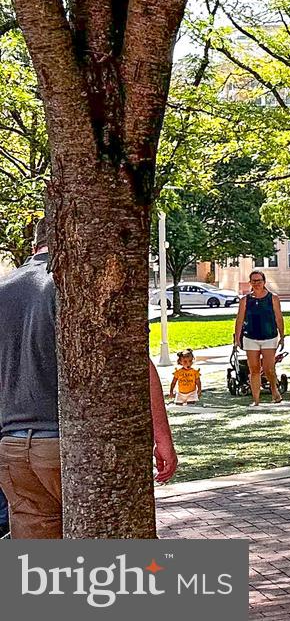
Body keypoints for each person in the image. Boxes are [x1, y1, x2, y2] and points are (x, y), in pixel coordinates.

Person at [1, 227, 175, 538]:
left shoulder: (3, 288)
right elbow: (134, 361)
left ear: (34, 242)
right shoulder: (75, 287)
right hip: (69, 444)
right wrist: (161, 436)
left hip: (14, 448)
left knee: (36, 568)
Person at [233, 269, 286, 405]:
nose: (256, 283)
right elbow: (239, 319)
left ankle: (274, 390)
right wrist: (237, 338)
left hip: (269, 336)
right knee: (254, 369)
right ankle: (256, 400)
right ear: (250, 282)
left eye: (259, 281)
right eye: (254, 281)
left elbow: (278, 317)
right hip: (250, 337)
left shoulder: (273, 298)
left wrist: (282, 335)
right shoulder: (245, 300)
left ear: (264, 282)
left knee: (269, 368)